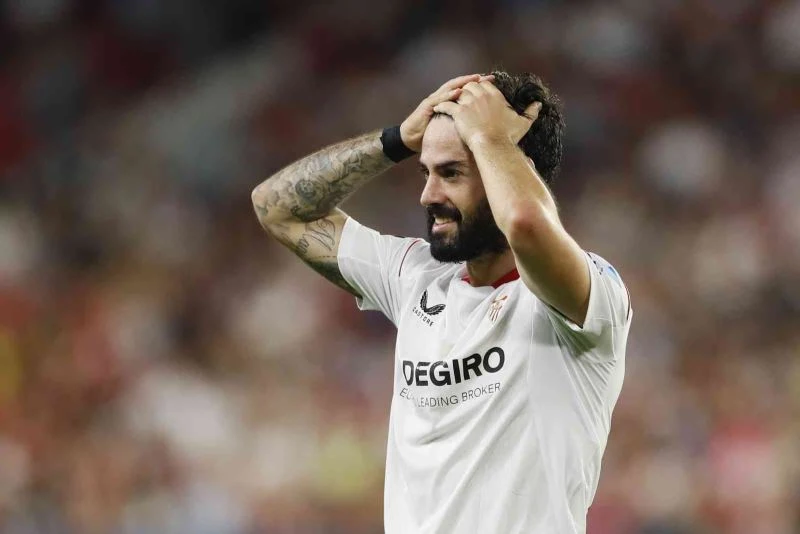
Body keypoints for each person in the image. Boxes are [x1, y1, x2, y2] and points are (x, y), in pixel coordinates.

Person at [251, 71, 632, 534]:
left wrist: (492, 139)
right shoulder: (414, 277)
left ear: (511, 170)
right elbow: (276, 208)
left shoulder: (585, 298)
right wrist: (397, 140)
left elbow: (525, 224)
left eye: (451, 173)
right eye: (426, 172)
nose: (428, 195)